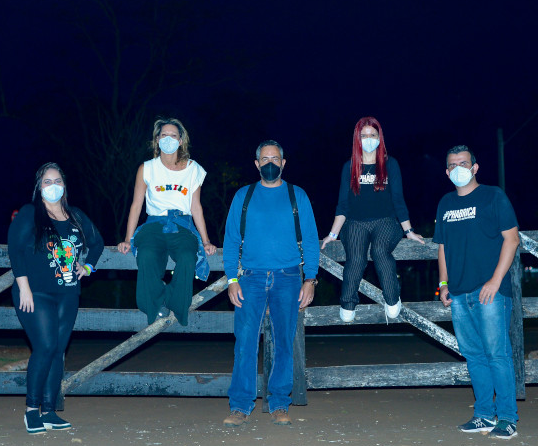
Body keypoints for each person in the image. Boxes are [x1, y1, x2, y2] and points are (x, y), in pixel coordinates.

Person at [221, 141, 319, 427]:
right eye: (264, 159)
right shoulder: (244, 196)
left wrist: (310, 279)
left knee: (284, 343)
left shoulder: (297, 195)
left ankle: (279, 403)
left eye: (275, 158)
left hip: (288, 278)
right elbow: (231, 240)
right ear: (256, 164)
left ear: (284, 163)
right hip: (250, 278)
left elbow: (310, 240)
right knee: (245, 343)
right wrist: (232, 279)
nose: (270, 163)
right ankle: (240, 405)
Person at [8, 162, 104, 434]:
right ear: (39, 187)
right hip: (35, 291)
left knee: (58, 350)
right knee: (45, 346)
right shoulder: (30, 213)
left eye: (57, 181)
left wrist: (88, 267)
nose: (53, 186)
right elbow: (15, 250)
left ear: (64, 185)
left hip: (68, 292)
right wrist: (23, 287)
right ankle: (31, 410)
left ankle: (49, 411)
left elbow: (97, 243)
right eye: (47, 182)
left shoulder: (75, 215)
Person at [433, 145, 520, 439]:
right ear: (447, 172)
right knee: (474, 356)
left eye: (463, 163)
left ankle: (507, 417)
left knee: (498, 354)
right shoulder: (445, 203)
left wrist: (495, 281)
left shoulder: (493, 196)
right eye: (452, 164)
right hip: (458, 293)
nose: (458, 168)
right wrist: (443, 284)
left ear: (475, 167)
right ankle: (483, 414)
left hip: (490, 292)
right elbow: (442, 247)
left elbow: (512, 239)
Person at [321, 116, 424, 322]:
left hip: (385, 221)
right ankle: (348, 302)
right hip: (355, 222)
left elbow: (398, 200)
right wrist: (332, 234)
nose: (369, 139)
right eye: (364, 135)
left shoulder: (390, 164)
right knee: (356, 258)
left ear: (379, 137)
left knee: (379, 250)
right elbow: (343, 205)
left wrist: (409, 231)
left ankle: (392, 298)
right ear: (357, 139)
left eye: (373, 135)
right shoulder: (349, 167)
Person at [116, 118, 217, 326]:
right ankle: (155, 303)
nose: (168, 139)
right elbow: (136, 205)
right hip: (154, 223)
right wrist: (127, 238)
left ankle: (174, 301)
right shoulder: (146, 168)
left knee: (188, 257)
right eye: (163, 135)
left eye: (173, 135)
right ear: (157, 140)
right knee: (146, 255)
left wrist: (206, 240)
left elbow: (196, 207)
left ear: (180, 141)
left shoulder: (193, 169)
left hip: (183, 224)